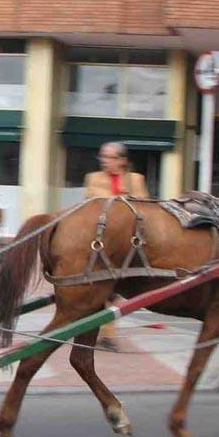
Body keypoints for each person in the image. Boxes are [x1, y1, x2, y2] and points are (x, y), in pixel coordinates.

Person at [83, 141, 149, 350]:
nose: (104, 161)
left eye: (110, 157)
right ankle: (103, 333)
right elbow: (93, 205)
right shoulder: (93, 179)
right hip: (100, 241)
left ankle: (106, 333)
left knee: (113, 292)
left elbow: (144, 208)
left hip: (126, 243)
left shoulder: (136, 180)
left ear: (122, 160)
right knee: (102, 291)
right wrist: (121, 199)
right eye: (102, 156)